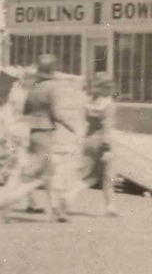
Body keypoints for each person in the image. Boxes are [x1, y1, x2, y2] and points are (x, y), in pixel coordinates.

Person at [0, 54, 77, 223]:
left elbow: (26, 110)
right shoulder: (52, 87)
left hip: (33, 131)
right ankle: (9, 200)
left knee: (49, 173)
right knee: (41, 175)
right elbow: (57, 113)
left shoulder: (34, 87)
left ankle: (56, 211)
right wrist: (70, 125)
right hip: (46, 132)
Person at [65, 73, 118, 216]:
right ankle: (109, 206)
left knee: (89, 174)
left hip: (88, 140)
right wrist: (107, 148)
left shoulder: (88, 103)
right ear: (108, 87)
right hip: (102, 141)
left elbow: (82, 122)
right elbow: (107, 127)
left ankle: (70, 196)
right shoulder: (109, 104)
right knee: (107, 175)